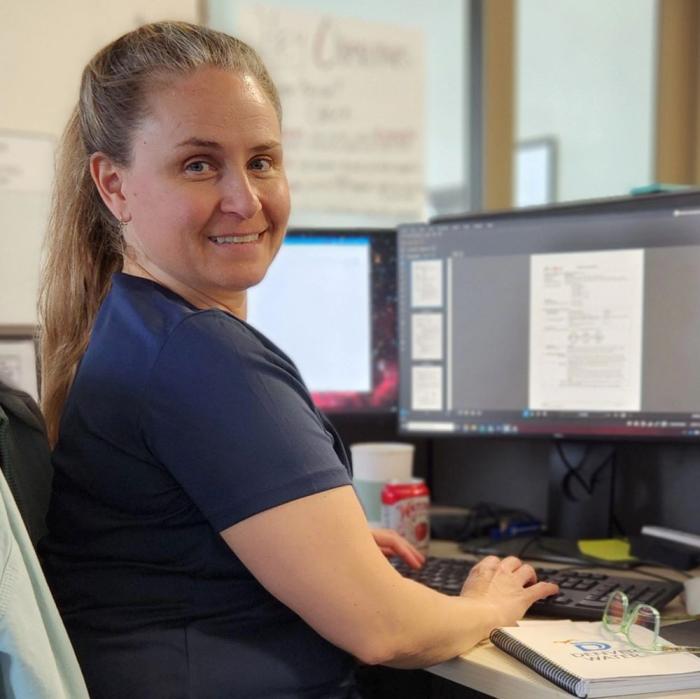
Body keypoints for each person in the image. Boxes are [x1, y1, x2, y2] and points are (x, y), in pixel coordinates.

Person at [38, 21, 558, 699]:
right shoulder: (201, 355)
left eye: (261, 160)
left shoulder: (135, 325)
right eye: (199, 164)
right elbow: (386, 629)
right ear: (114, 185)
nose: (246, 199)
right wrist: (490, 607)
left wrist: (317, 537)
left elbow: (168, 542)